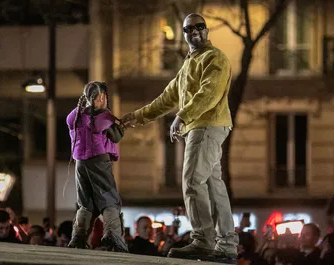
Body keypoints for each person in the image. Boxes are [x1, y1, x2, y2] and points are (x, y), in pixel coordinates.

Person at [122, 13, 238, 262]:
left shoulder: (214, 58)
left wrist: (183, 116)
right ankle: (226, 244)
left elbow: (210, 92)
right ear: (184, 35)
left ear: (207, 30)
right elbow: (166, 98)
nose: (195, 31)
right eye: (189, 29)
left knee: (193, 181)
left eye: (200, 27)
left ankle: (204, 241)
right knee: (211, 184)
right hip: (203, 126)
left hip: (206, 125)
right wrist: (138, 116)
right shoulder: (189, 64)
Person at [66, 81, 128, 252]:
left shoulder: (75, 115)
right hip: (99, 161)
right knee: (109, 198)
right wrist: (122, 126)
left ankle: (78, 237)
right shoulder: (104, 116)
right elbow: (116, 136)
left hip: (80, 162)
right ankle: (113, 235)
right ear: (101, 97)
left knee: (85, 202)